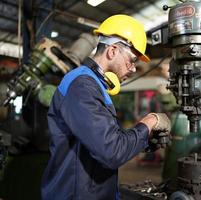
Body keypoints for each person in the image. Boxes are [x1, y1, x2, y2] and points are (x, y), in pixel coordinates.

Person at [41, 15, 171, 200]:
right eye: (132, 60)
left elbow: (104, 139)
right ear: (112, 51)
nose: (133, 68)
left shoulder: (95, 85)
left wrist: (144, 140)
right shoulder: (82, 86)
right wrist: (150, 121)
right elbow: (111, 152)